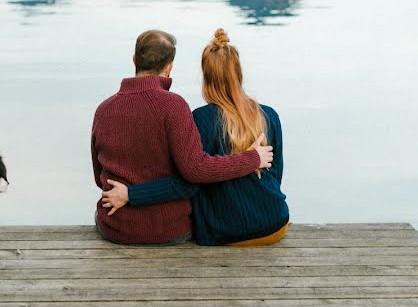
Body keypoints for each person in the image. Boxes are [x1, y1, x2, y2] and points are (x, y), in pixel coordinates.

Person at [102, 29, 289, 246]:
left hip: (226, 232)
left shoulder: (202, 119)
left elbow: (190, 182)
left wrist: (132, 194)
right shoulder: (270, 116)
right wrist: (251, 160)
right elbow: (276, 176)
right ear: (239, 74)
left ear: (206, 78)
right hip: (276, 223)